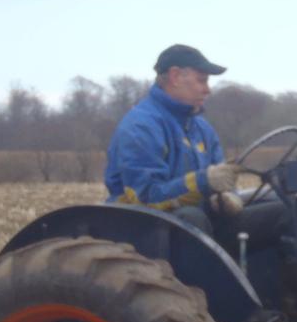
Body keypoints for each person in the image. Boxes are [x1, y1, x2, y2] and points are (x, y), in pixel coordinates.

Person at [104, 43, 244, 232]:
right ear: (175, 76)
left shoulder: (202, 128)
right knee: (190, 219)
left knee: (279, 211)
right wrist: (203, 181)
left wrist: (225, 196)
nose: (207, 90)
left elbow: (218, 178)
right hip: (145, 227)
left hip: (199, 220)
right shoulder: (141, 126)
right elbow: (144, 197)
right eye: (201, 80)